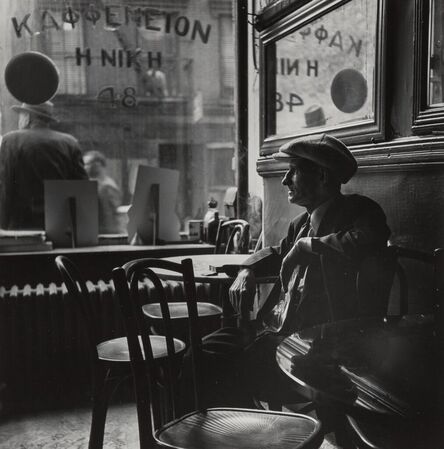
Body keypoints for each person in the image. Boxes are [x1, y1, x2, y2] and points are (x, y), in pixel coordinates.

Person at [184, 133, 391, 409]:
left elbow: (368, 238)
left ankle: (244, 434)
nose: (284, 180)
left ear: (322, 176)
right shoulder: (300, 223)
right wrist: (247, 269)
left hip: (317, 346)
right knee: (195, 355)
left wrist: (308, 246)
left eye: (293, 171)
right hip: (275, 331)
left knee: (219, 367)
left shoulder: (360, 211)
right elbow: (276, 253)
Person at [0, 101, 87, 230]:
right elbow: (83, 188)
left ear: (28, 117)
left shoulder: (11, 140)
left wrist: (3, 225)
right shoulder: (69, 143)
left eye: (21, 115)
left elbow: (5, 184)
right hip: (60, 226)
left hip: (21, 225)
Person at [83, 150, 123, 234]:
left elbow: (108, 217)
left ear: (98, 165)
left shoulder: (107, 186)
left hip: (107, 233)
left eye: (87, 164)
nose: (84, 167)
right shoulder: (95, 185)